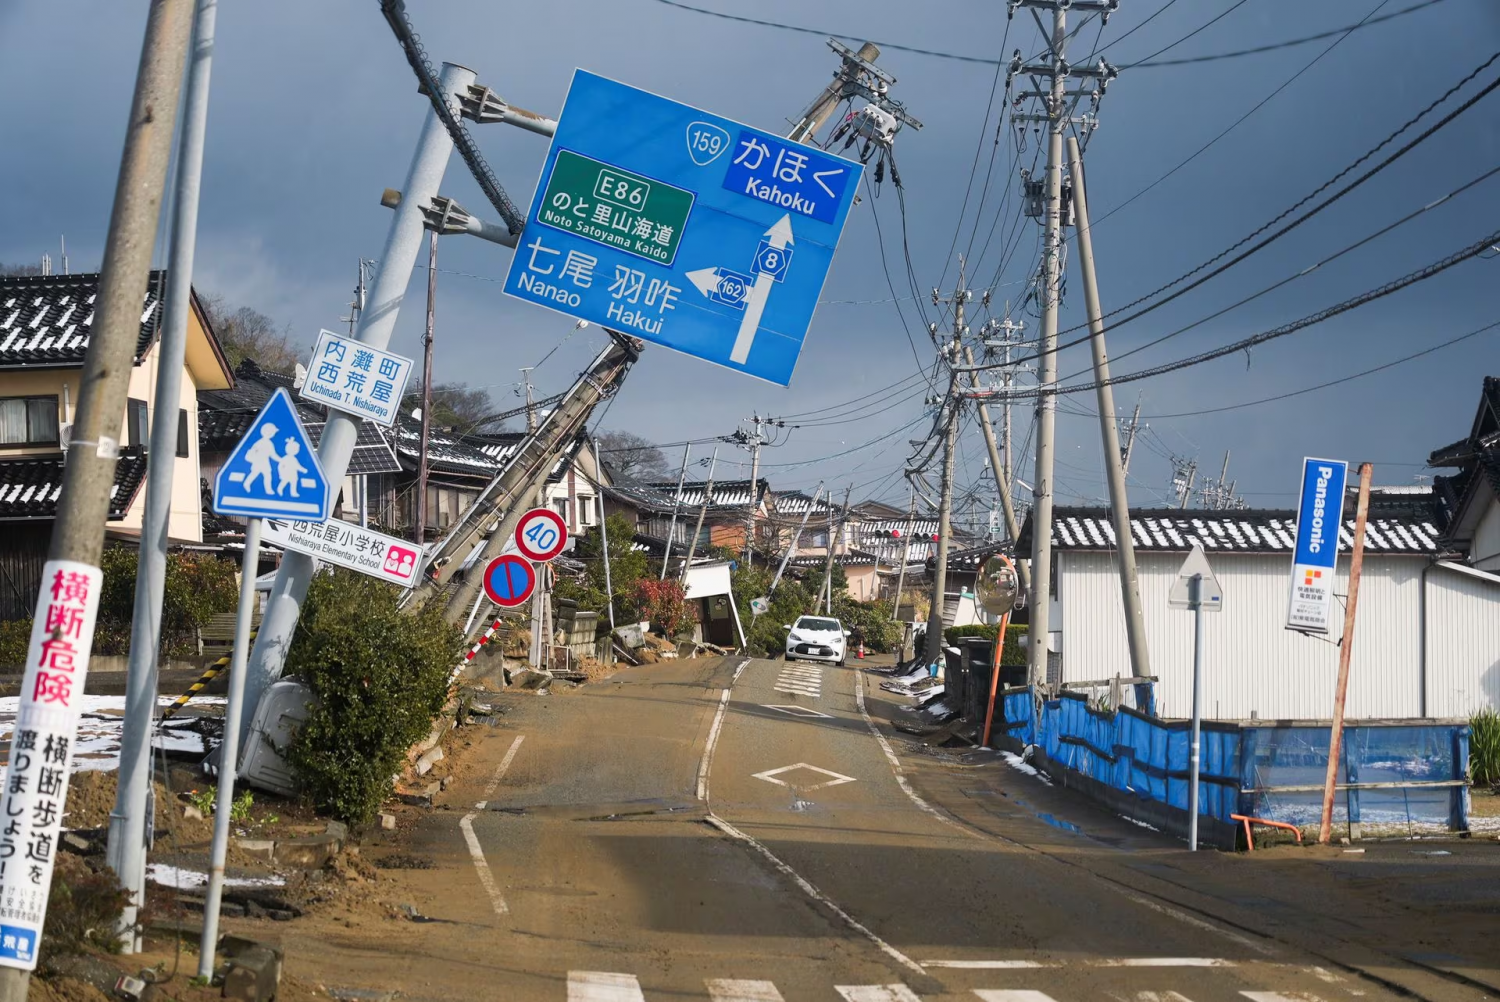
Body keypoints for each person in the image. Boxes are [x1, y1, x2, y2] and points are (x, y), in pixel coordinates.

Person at [243, 423, 280, 494]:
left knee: (264, 475)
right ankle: (247, 484)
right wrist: (281, 460)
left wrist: (280, 460)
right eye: (273, 432)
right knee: (258, 474)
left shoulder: (267, 443)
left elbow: (273, 455)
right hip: (259, 462)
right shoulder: (262, 443)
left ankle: (268, 490)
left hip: (264, 463)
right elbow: (273, 455)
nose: (273, 434)